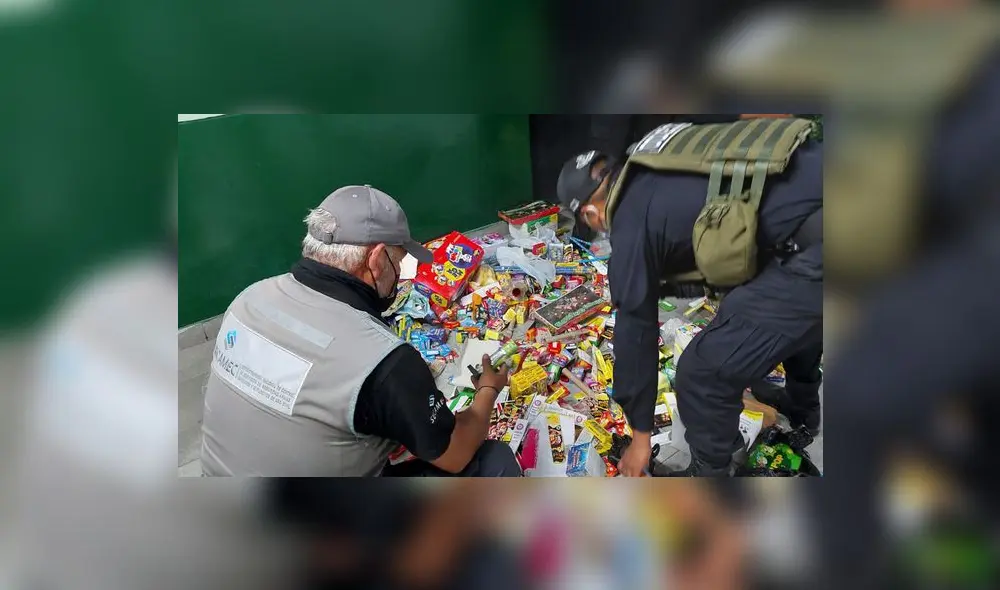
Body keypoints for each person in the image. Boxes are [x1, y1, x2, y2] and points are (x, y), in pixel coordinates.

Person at [556, 117, 823, 476]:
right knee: (750, 303)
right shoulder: (655, 158)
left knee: (701, 374)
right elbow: (698, 254)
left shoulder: (630, 222)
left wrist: (639, 439)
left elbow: (636, 333)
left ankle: (712, 474)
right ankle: (802, 407)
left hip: (818, 256)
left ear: (589, 213)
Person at [200, 185, 521, 477]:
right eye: (401, 263)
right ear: (378, 260)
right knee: (494, 462)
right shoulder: (383, 360)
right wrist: (488, 390)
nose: (401, 276)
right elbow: (457, 453)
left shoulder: (249, 299)